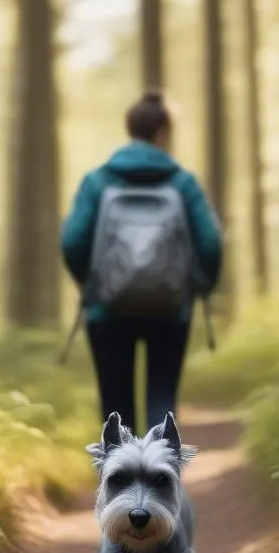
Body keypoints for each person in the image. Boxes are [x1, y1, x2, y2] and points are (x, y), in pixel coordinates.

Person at [60, 89, 223, 434]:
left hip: (107, 310)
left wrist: (92, 283)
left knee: (115, 414)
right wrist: (197, 283)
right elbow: (210, 243)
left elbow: (73, 241)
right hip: (170, 309)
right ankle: (161, 485)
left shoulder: (97, 181)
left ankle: (119, 486)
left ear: (130, 128)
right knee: (162, 404)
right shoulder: (183, 183)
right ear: (162, 132)